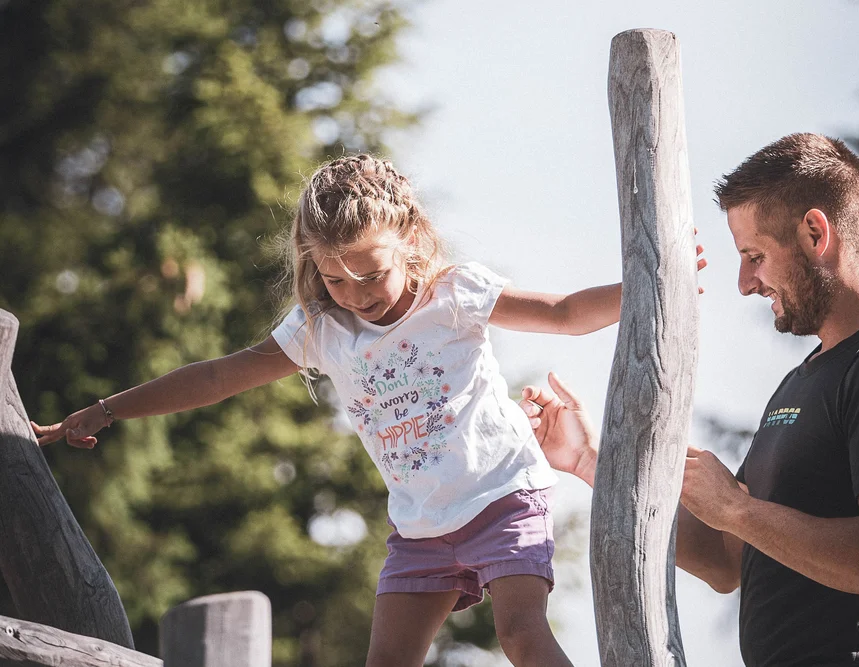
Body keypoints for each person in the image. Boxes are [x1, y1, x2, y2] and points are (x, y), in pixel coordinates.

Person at [32, 154, 703, 667]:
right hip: (420, 528)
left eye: (371, 273)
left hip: (502, 495)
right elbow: (217, 375)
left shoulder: (453, 295)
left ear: (409, 240)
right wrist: (107, 409)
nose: (355, 294)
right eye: (334, 278)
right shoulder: (320, 329)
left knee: (521, 635)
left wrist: (654, 281)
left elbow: (563, 313)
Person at [520, 134, 859, 666]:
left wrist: (738, 508)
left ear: (815, 233)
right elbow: (725, 559)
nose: (745, 283)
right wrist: (594, 463)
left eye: (755, 256)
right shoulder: (804, 380)